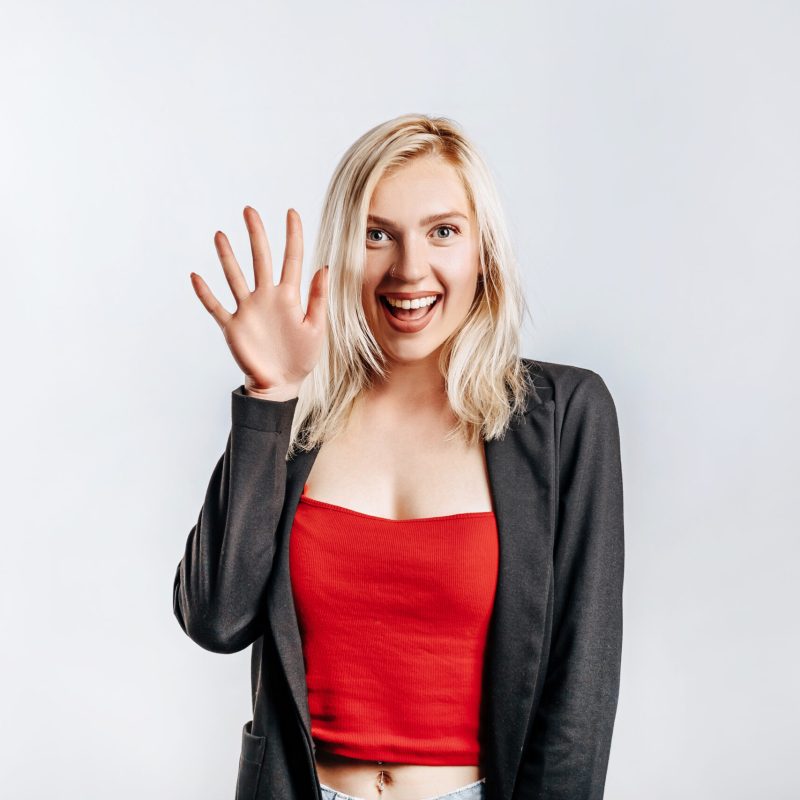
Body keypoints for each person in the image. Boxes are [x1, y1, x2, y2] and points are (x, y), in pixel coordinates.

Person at [173, 114, 625, 800]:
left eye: (442, 231)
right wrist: (269, 399)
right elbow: (215, 618)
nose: (409, 269)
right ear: (344, 251)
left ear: (484, 252)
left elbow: (579, 690)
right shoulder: (298, 417)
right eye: (377, 235)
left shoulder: (564, 416)